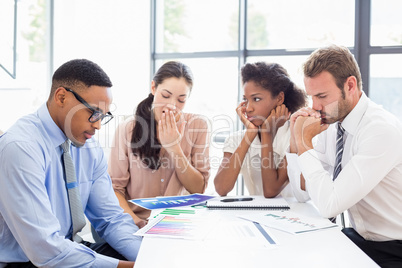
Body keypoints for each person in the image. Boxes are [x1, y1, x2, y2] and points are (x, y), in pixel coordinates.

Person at [0, 59, 141, 267]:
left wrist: (149, 258)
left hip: (72, 246)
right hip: (29, 261)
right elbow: (45, 250)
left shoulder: (90, 148)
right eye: (93, 113)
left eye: (103, 115)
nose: (99, 125)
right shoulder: (20, 147)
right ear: (62, 97)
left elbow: (111, 220)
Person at [286, 44, 402, 267]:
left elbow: (330, 205)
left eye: (322, 96)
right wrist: (295, 138)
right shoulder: (332, 122)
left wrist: (304, 142)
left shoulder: (379, 130)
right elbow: (302, 193)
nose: (315, 106)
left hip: (393, 248)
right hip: (357, 238)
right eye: (312, 97)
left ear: (350, 85)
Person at [108, 61, 210, 228]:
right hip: (135, 223)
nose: (172, 106)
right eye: (165, 95)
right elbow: (115, 189)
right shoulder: (127, 129)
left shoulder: (198, 126)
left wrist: (174, 148)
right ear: (154, 88)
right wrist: (137, 222)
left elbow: (198, 189)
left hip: (179, 223)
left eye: (181, 100)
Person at [214, 62, 309, 200]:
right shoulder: (237, 139)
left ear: (279, 98)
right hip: (256, 217)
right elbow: (221, 188)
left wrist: (266, 133)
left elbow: (270, 191)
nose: (248, 108)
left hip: (296, 216)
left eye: (256, 99)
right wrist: (250, 134)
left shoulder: (295, 135)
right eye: (245, 100)